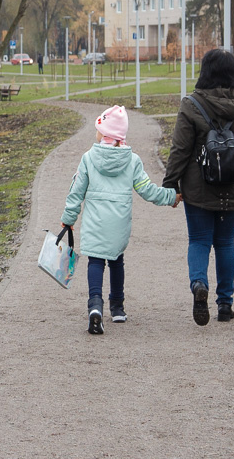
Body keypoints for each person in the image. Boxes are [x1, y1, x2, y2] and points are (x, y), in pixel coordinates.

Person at [162, 48, 234, 326]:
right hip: (233, 188)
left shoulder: (191, 105)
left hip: (198, 190)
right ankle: (225, 304)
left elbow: (180, 150)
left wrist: (171, 184)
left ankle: (199, 285)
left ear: (205, 72)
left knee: (199, 241)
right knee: (224, 243)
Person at [60, 104, 178, 334]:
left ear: (104, 134)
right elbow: (148, 190)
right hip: (119, 223)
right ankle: (118, 308)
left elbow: (76, 191)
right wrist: (171, 196)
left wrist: (68, 218)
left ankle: (95, 305)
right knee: (116, 260)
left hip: (95, 223)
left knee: (95, 261)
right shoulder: (132, 161)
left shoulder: (88, 158)